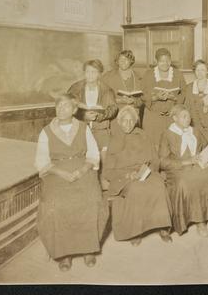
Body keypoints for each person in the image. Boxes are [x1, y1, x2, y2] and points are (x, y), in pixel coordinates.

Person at [34, 94, 108, 271]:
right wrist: (62, 173)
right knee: (58, 203)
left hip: (83, 169)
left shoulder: (83, 128)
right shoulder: (46, 131)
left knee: (91, 199)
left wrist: (82, 171)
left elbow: (92, 155)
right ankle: (63, 253)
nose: (61, 109)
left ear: (74, 110)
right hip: (56, 172)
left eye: (66, 106)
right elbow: (42, 161)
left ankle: (88, 248)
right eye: (58, 106)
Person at [103, 106, 173, 245]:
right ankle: (135, 231)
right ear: (119, 122)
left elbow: (154, 160)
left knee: (159, 186)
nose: (128, 124)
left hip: (145, 171)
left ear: (135, 122)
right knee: (136, 190)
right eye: (125, 121)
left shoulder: (143, 135)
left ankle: (163, 226)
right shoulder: (114, 139)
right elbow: (108, 171)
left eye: (131, 121)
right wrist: (128, 175)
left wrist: (146, 171)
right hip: (124, 177)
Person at [159, 104, 208, 236]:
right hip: (179, 168)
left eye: (189, 116)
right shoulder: (167, 134)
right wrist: (186, 162)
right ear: (175, 118)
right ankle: (200, 221)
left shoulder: (195, 131)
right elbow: (162, 162)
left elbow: (205, 148)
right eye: (184, 116)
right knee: (189, 180)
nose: (188, 119)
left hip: (198, 164)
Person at [67, 59, 118, 154]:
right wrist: (83, 115)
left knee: (102, 162)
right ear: (84, 73)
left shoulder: (107, 90)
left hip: (101, 131)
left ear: (99, 74)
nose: (90, 75)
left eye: (93, 72)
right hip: (80, 131)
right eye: (87, 72)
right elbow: (68, 107)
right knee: (82, 159)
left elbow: (113, 109)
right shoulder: (75, 88)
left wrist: (99, 116)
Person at [142, 48, 186, 150]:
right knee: (153, 147)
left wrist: (174, 97)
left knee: (171, 146)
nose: (165, 63)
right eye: (161, 61)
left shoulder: (178, 74)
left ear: (170, 61)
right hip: (153, 118)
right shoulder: (148, 74)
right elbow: (142, 95)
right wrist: (155, 97)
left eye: (167, 61)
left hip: (171, 117)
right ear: (156, 62)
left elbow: (184, 93)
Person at [184, 59, 208, 148]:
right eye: (198, 70)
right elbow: (186, 106)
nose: (200, 73)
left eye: (203, 70)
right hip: (194, 124)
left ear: (207, 71)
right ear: (194, 72)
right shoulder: (189, 87)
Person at [103, 50, 143, 117]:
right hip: (115, 115)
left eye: (126, 59)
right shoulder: (108, 76)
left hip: (133, 116)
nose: (123, 61)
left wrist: (134, 101)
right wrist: (118, 100)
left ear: (131, 61)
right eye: (120, 59)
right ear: (117, 61)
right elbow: (101, 96)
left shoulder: (139, 77)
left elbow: (144, 100)